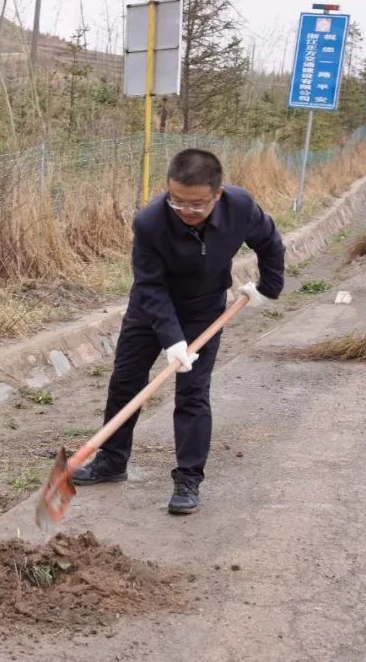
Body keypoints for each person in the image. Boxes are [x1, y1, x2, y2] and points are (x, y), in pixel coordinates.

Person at [73, 149, 285, 515]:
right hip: (150, 309)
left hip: (204, 310)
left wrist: (269, 287)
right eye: (178, 201)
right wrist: (173, 340)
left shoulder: (241, 207)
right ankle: (112, 461)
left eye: (197, 204)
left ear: (217, 194)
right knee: (126, 381)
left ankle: (188, 478)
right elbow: (150, 286)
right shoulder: (151, 222)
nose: (186, 210)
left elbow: (270, 242)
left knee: (192, 391)